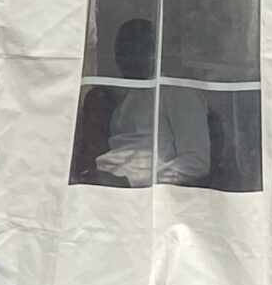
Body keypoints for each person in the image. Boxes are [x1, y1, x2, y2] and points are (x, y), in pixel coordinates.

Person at [85, 17, 211, 187]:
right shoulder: (130, 97)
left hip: (139, 191)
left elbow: (196, 162)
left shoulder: (180, 93)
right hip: (103, 180)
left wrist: (132, 182)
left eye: (132, 51)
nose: (124, 60)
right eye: (120, 52)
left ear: (153, 53)